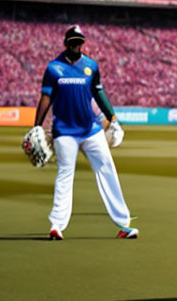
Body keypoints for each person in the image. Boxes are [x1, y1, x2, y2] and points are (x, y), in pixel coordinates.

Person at [32, 25, 138, 240]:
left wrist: (113, 118)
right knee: (65, 175)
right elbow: (45, 98)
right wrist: (37, 125)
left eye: (79, 41)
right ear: (66, 43)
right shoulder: (54, 68)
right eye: (72, 41)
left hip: (91, 130)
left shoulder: (91, 66)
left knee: (107, 169)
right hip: (64, 131)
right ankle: (57, 225)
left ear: (83, 43)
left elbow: (99, 93)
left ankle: (123, 224)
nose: (76, 44)